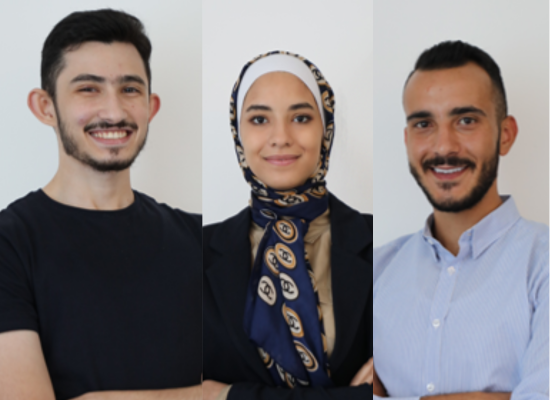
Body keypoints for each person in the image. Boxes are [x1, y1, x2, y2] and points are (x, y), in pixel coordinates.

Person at [0, 9, 202, 400]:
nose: (114, 112)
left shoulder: (200, 239)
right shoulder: (10, 246)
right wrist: (209, 394)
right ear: (45, 106)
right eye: (88, 88)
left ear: (151, 106)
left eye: (129, 89)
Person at [373, 41, 549, 400]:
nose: (443, 146)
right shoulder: (373, 271)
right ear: (407, 140)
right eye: (424, 123)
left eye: (466, 120)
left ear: (506, 134)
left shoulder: (543, 261)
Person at [202, 51, 373, 400]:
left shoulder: (383, 244)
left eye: (300, 117)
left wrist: (227, 396)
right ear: (238, 131)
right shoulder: (195, 251)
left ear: (325, 127)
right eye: (260, 120)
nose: (280, 137)